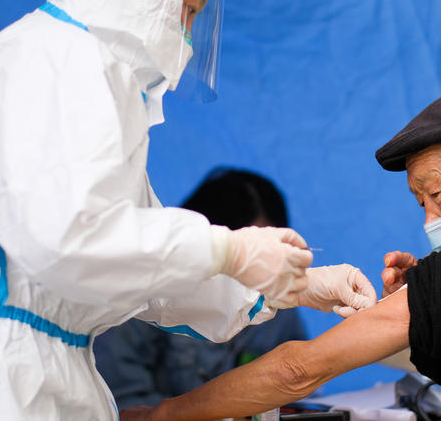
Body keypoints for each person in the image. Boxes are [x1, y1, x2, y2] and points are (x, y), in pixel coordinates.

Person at [0, 0, 377, 419]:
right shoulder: (62, 59)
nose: (189, 41)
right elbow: (67, 240)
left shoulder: (88, 70)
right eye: (190, 10)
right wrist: (232, 251)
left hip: (35, 374)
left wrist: (291, 286)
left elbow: (145, 271)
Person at [123, 84, 441, 421]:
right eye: (419, 203)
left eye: (437, 194)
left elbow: (299, 370)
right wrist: (426, 312)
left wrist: (159, 416)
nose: (430, 220)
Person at [94, 168, 308, 410]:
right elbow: (122, 404)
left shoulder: (278, 307)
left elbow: (300, 398)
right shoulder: (137, 302)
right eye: (249, 252)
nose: (261, 267)